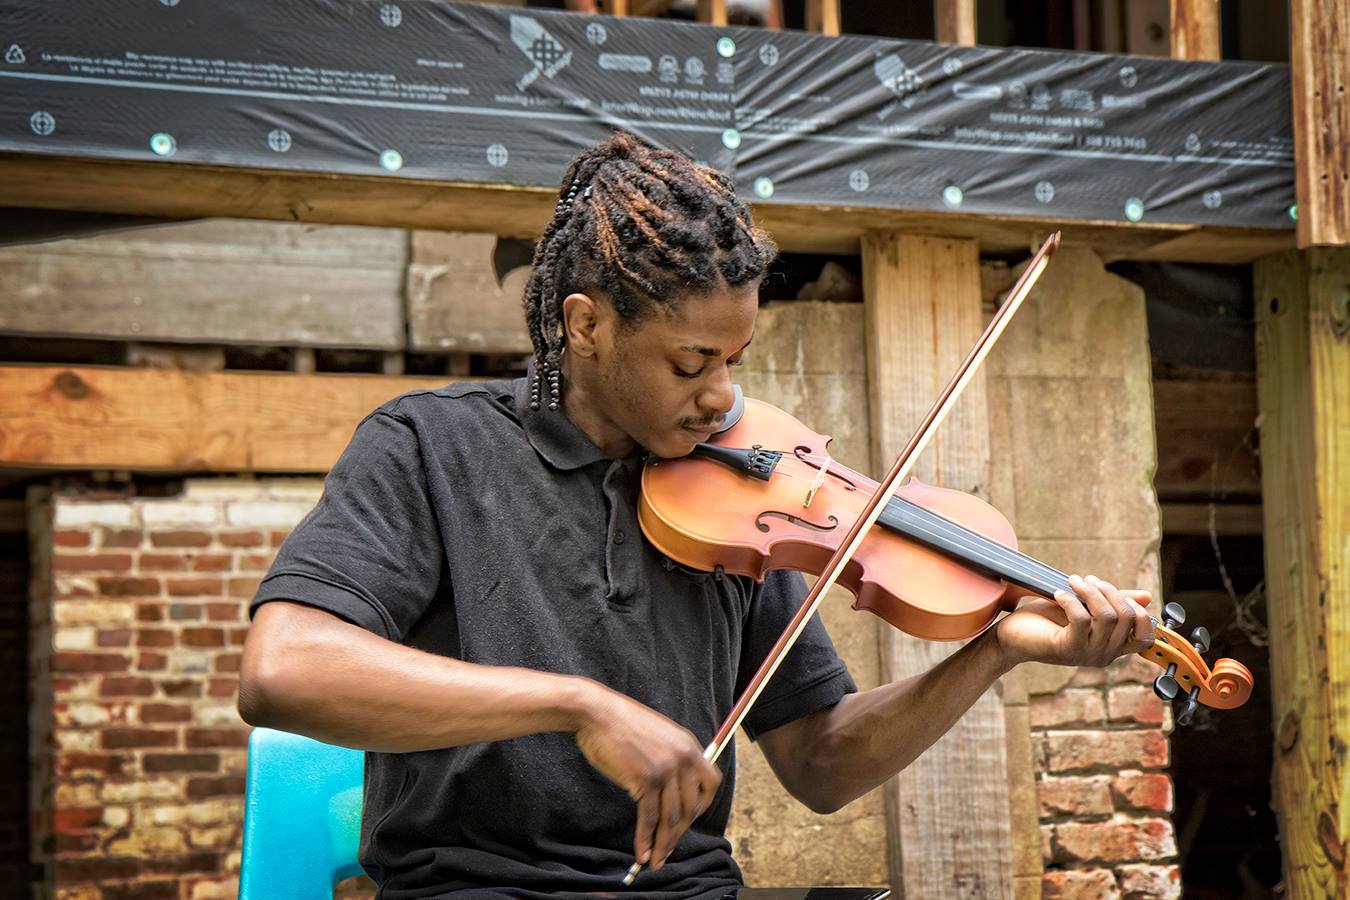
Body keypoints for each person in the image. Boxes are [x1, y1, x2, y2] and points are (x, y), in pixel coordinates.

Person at [238, 131, 1155, 899]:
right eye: (690, 363)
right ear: (586, 325)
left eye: (736, 357)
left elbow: (820, 762)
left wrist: (990, 650)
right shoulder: (430, 450)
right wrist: (577, 706)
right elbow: (284, 670)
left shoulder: (735, 501)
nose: (724, 396)